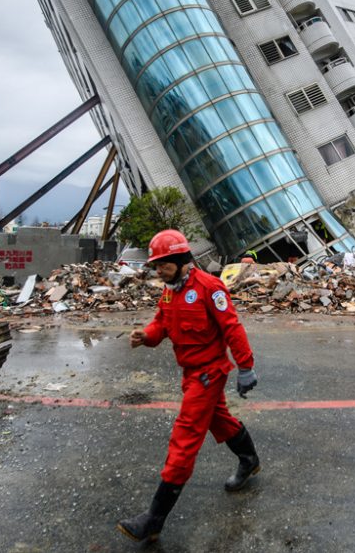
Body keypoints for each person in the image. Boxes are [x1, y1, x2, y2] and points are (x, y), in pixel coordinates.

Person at [117, 229, 261, 543]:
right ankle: (250, 460)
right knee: (218, 419)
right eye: (156, 266)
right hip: (190, 374)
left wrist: (245, 366)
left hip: (209, 374)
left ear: (182, 260)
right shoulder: (170, 291)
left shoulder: (209, 287)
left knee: (185, 438)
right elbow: (161, 323)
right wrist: (147, 336)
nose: (158, 272)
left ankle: (154, 519)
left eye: (163, 265)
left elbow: (232, 326)